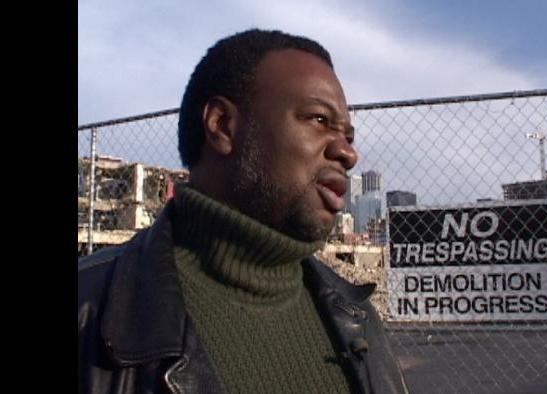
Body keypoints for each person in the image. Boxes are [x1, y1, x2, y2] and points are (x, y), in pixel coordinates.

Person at [78, 29, 409, 394]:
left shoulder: (359, 321)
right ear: (221, 125)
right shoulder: (90, 312)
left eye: (348, 135)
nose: (348, 153)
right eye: (318, 119)